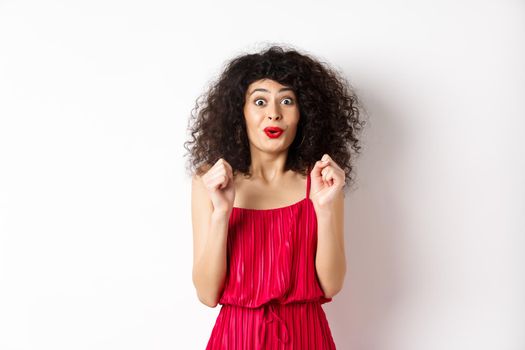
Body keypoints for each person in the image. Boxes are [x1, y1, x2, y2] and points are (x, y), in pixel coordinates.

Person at [184, 44, 365, 349]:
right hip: (237, 338)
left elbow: (331, 284)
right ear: (239, 112)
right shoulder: (210, 181)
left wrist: (324, 209)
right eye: (259, 101)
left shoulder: (321, 181)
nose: (274, 114)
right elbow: (207, 294)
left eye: (286, 101)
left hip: (306, 337)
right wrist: (221, 213)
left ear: (303, 113)